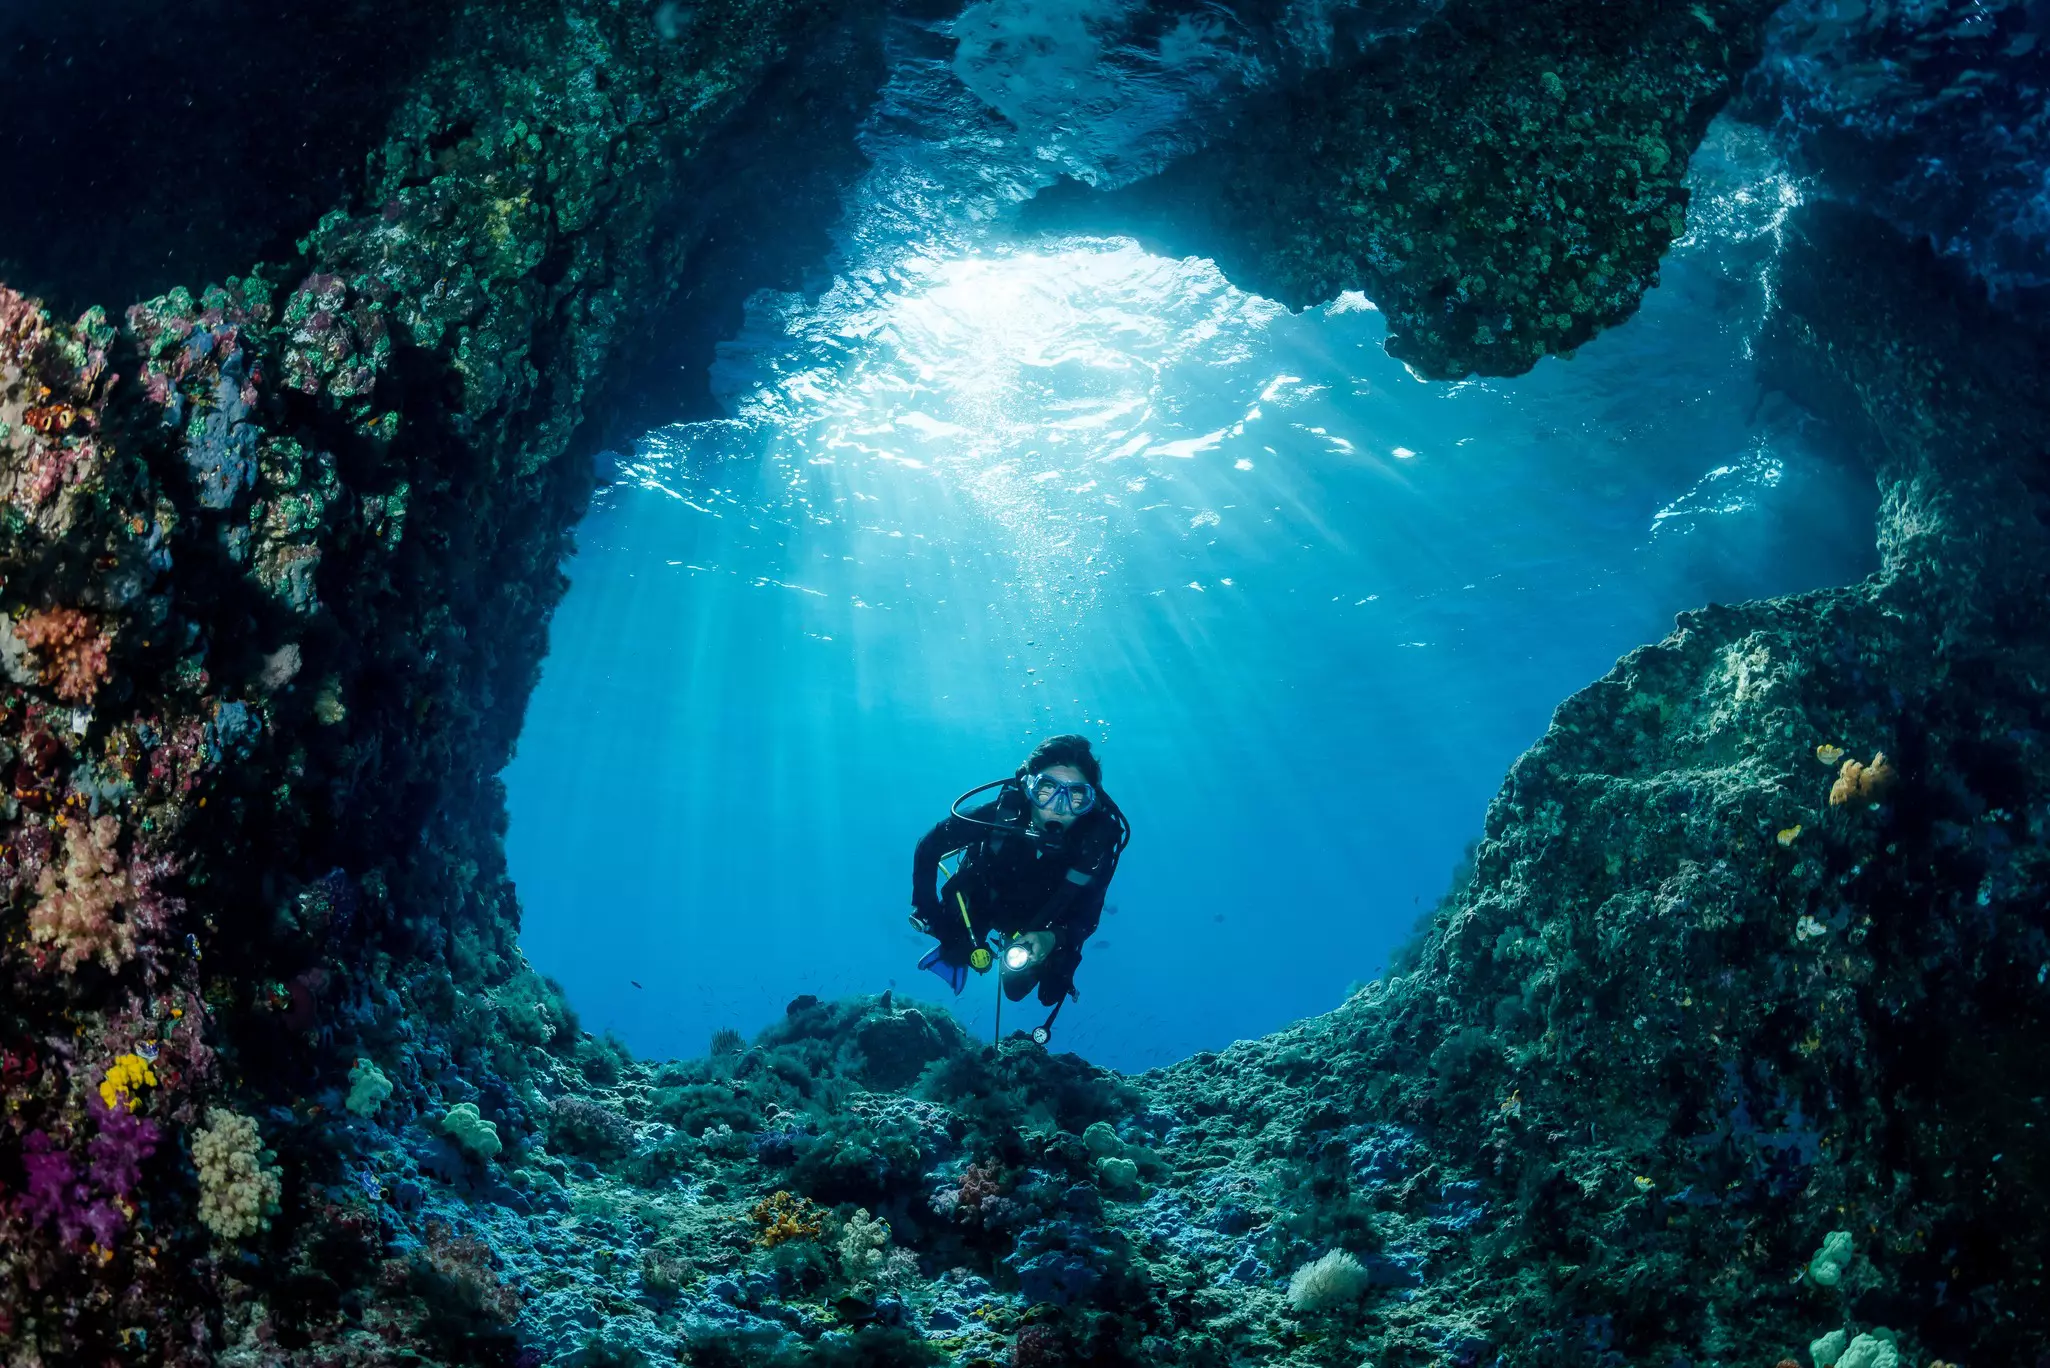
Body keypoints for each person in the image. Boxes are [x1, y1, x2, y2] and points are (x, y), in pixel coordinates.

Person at [909, 735, 1130, 1021]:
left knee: (1036, 991)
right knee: (955, 946)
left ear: (1091, 802)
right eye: (1047, 789)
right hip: (984, 901)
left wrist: (1053, 938)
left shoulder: (1094, 848)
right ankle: (953, 950)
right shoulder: (999, 816)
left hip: (1043, 922)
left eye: (1076, 796)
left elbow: (1088, 917)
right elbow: (929, 845)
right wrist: (930, 916)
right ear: (1028, 787)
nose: (1059, 808)